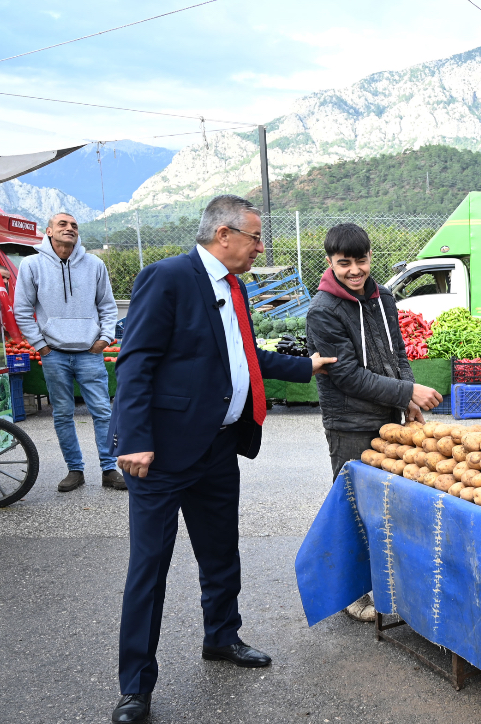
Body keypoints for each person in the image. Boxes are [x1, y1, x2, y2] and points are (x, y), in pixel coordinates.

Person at [108, 195, 336, 724]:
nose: (261, 247)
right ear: (223, 235)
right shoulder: (167, 278)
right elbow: (136, 362)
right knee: (150, 568)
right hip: (161, 453)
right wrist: (135, 439)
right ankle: (135, 687)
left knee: (220, 555)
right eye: (256, 237)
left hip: (217, 446)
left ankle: (221, 637)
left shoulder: (234, 287)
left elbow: (242, 356)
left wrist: (306, 366)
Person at [305, 223, 442, 621]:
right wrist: (406, 393)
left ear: (369, 257)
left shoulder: (383, 297)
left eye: (360, 261)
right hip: (349, 422)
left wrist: (408, 395)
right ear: (330, 262)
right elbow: (345, 375)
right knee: (353, 507)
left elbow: (398, 351)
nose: (354, 270)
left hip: (388, 416)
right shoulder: (322, 312)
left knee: (386, 506)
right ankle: (353, 596)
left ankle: (382, 583)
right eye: (343, 263)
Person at [13, 212, 123, 493]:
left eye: (74, 225)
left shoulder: (94, 264)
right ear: (49, 232)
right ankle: (75, 470)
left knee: (102, 412)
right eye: (62, 224)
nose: (69, 228)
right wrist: (42, 346)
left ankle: (109, 469)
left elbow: (108, 307)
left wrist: (104, 338)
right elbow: (23, 310)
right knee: (62, 414)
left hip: (90, 352)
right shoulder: (32, 265)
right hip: (54, 355)